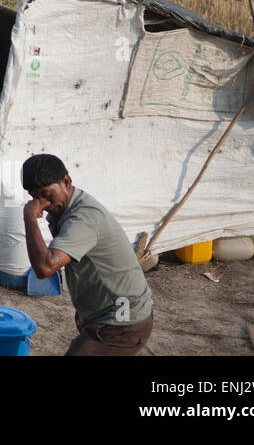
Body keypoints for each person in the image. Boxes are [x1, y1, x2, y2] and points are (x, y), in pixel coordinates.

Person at [22, 153, 155, 356]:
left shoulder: (83, 220)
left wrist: (29, 218)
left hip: (123, 319)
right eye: (35, 197)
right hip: (117, 313)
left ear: (66, 182)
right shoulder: (69, 207)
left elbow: (44, 268)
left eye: (46, 194)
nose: (42, 203)